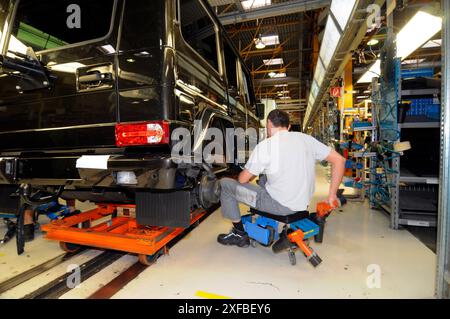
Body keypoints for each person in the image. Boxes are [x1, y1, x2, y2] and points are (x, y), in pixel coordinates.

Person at [217, 110, 346, 247]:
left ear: (269, 124)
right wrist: (332, 195)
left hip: (281, 206)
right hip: (302, 203)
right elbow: (339, 160)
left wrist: (247, 170)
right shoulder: (306, 139)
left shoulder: (266, 146)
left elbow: (242, 180)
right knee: (263, 178)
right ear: (288, 126)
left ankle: (239, 234)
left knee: (225, 184)